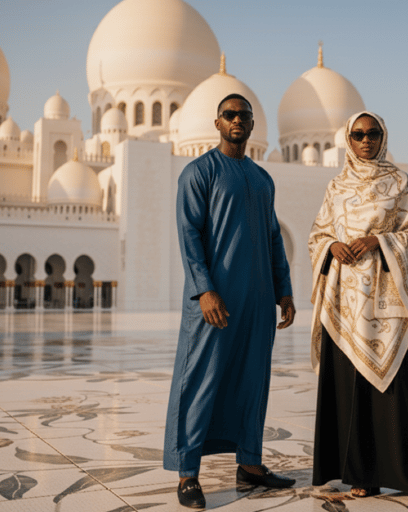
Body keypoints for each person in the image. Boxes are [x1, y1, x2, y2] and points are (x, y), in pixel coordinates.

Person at [164, 93, 297, 509]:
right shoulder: (199, 172)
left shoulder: (262, 179)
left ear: (253, 124)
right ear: (218, 123)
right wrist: (204, 289)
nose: (237, 120)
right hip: (215, 299)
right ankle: (187, 473)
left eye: (244, 115)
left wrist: (284, 289)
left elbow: (273, 238)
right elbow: (189, 234)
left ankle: (250, 464)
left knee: (252, 380)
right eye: (229, 114)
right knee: (199, 380)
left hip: (257, 300)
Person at [308, 111, 408, 507]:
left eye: (373, 133)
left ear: (383, 137)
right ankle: (362, 475)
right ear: (348, 140)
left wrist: (379, 241)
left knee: (398, 388)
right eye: (359, 134)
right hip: (345, 304)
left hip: (386, 301)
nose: (366, 140)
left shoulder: (399, 182)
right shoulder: (336, 186)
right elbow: (318, 234)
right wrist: (332, 246)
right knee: (353, 391)